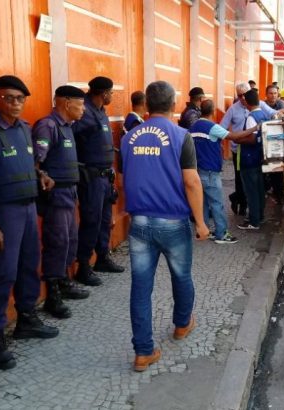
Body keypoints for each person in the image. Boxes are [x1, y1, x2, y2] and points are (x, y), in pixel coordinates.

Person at [0, 76, 61, 370]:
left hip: (28, 207)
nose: (15, 103)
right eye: (9, 97)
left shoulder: (24, 129)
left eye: (20, 99)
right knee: (2, 273)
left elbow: (30, 163)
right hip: (4, 212)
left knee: (27, 267)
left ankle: (26, 319)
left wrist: (42, 176)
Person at [121, 80, 209, 372]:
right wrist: (201, 222)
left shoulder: (128, 137)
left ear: (146, 105)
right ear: (174, 105)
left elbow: (125, 176)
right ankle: (182, 324)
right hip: (172, 221)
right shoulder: (181, 135)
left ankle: (143, 352)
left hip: (140, 222)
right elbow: (191, 181)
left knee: (140, 288)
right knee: (181, 276)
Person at [32, 85, 91, 320]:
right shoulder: (48, 126)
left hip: (70, 193)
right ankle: (53, 294)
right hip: (56, 196)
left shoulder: (68, 127)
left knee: (69, 240)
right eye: (81, 103)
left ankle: (64, 281)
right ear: (66, 103)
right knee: (57, 242)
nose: (84, 109)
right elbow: (37, 162)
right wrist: (43, 178)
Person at [73, 76, 125, 286]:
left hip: (104, 176)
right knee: (91, 221)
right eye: (111, 93)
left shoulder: (101, 112)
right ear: (104, 93)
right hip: (91, 178)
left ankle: (102, 257)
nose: (112, 96)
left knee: (104, 221)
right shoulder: (84, 112)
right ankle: (83, 266)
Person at [189, 99, 258, 243]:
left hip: (197, 170)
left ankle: (205, 230)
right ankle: (221, 234)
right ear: (213, 111)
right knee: (217, 203)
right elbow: (234, 137)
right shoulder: (212, 127)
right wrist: (254, 128)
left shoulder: (194, 126)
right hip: (211, 171)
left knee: (203, 203)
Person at [220, 82, 284, 217]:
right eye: (240, 95)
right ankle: (242, 206)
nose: (242, 98)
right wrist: (232, 138)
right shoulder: (233, 109)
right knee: (240, 180)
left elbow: (274, 114)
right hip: (238, 151)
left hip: (253, 150)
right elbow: (222, 127)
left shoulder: (258, 107)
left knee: (254, 181)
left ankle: (252, 211)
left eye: (245, 95)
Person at [236, 89, 273, 230]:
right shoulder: (263, 115)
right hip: (259, 157)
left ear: (246, 102)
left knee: (251, 191)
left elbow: (252, 138)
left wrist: (238, 139)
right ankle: (260, 217)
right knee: (259, 189)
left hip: (249, 158)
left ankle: (254, 221)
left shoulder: (251, 117)